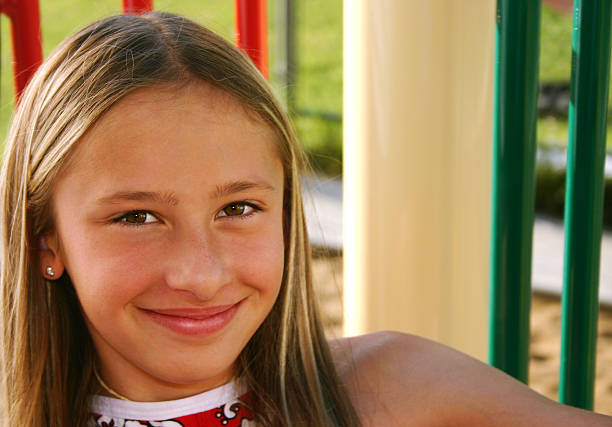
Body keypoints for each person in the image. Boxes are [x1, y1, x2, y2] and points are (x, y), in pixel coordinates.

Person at [0, 11, 609, 427]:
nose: (201, 274)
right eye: (137, 216)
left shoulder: (388, 392)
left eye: (238, 208)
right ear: (44, 237)